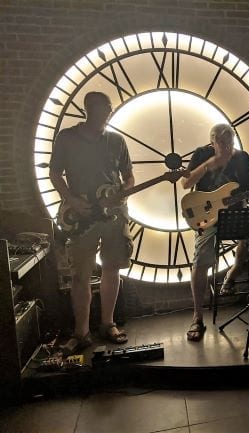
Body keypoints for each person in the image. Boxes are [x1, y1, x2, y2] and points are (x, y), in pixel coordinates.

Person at [49, 91, 133, 355]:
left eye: (107, 111)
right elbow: (54, 173)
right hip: (82, 216)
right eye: (101, 110)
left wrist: (122, 194)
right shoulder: (67, 138)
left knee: (111, 268)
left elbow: (128, 177)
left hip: (114, 214)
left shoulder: (117, 140)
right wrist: (71, 200)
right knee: (80, 275)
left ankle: (108, 324)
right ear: (88, 110)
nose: (104, 115)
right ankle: (81, 332)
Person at [181, 124, 249, 341]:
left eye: (230, 143)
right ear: (212, 142)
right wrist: (210, 164)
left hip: (236, 213)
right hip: (208, 218)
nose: (227, 148)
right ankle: (197, 316)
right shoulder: (202, 154)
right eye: (222, 144)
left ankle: (231, 275)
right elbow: (186, 183)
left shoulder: (242, 158)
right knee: (201, 260)